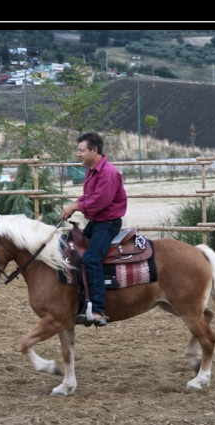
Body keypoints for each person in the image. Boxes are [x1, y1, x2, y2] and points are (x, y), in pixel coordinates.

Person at [60, 132, 127, 327]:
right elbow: (89, 196)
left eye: (81, 150)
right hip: (96, 223)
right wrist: (75, 203)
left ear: (94, 151)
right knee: (71, 249)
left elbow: (99, 202)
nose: (78, 154)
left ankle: (98, 310)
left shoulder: (109, 173)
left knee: (91, 259)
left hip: (107, 224)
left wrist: (74, 207)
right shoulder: (91, 169)